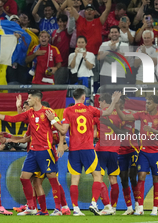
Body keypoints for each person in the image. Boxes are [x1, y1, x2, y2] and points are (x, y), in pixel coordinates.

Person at [45, 88, 121, 216]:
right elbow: (107, 112)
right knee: (97, 176)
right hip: (88, 149)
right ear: (83, 97)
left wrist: (53, 120)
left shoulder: (68, 110)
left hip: (74, 150)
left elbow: (63, 131)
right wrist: (113, 101)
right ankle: (94, 203)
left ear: (74, 97)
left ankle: (76, 209)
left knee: (75, 179)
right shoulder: (90, 109)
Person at [0, 90, 64, 216]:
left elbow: (61, 130)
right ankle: (32, 207)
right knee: (24, 177)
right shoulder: (29, 113)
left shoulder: (48, 112)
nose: (27, 100)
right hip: (32, 151)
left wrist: (61, 145)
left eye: (29, 98)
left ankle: (58, 209)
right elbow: (13, 119)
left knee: (52, 178)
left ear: (36, 99)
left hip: (46, 150)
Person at [115, 95, 158, 216]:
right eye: (146, 103)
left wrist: (151, 129)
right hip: (143, 152)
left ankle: (155, 209)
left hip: (156, 152)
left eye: (149, 103)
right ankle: (140, 208)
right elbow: (124, 116)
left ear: (155, 104)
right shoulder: (142, 114)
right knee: (141, 176)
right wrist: (117, 106)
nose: (146, 105)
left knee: (156, 178)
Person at [134, 30, 158, 97]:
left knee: (152, 101)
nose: (146, 40)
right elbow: (135, 65)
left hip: (153, 79)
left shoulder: (157, 49)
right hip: (140, 78)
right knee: (139, 101)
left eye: (148, 38)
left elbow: (154, 62)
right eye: (145, 38)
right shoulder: (139, 49)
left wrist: (144, 54)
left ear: (152, 39)